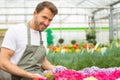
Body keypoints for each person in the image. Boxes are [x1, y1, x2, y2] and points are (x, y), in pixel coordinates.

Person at [0, 1, 60, 80]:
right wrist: (30, 75)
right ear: (35, 13)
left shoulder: (43, 35)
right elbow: (3, 62)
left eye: (50, 20)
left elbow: (43, 62)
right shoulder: (15, 31)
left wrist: (58, 69)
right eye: (44, 17)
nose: (46, 23)